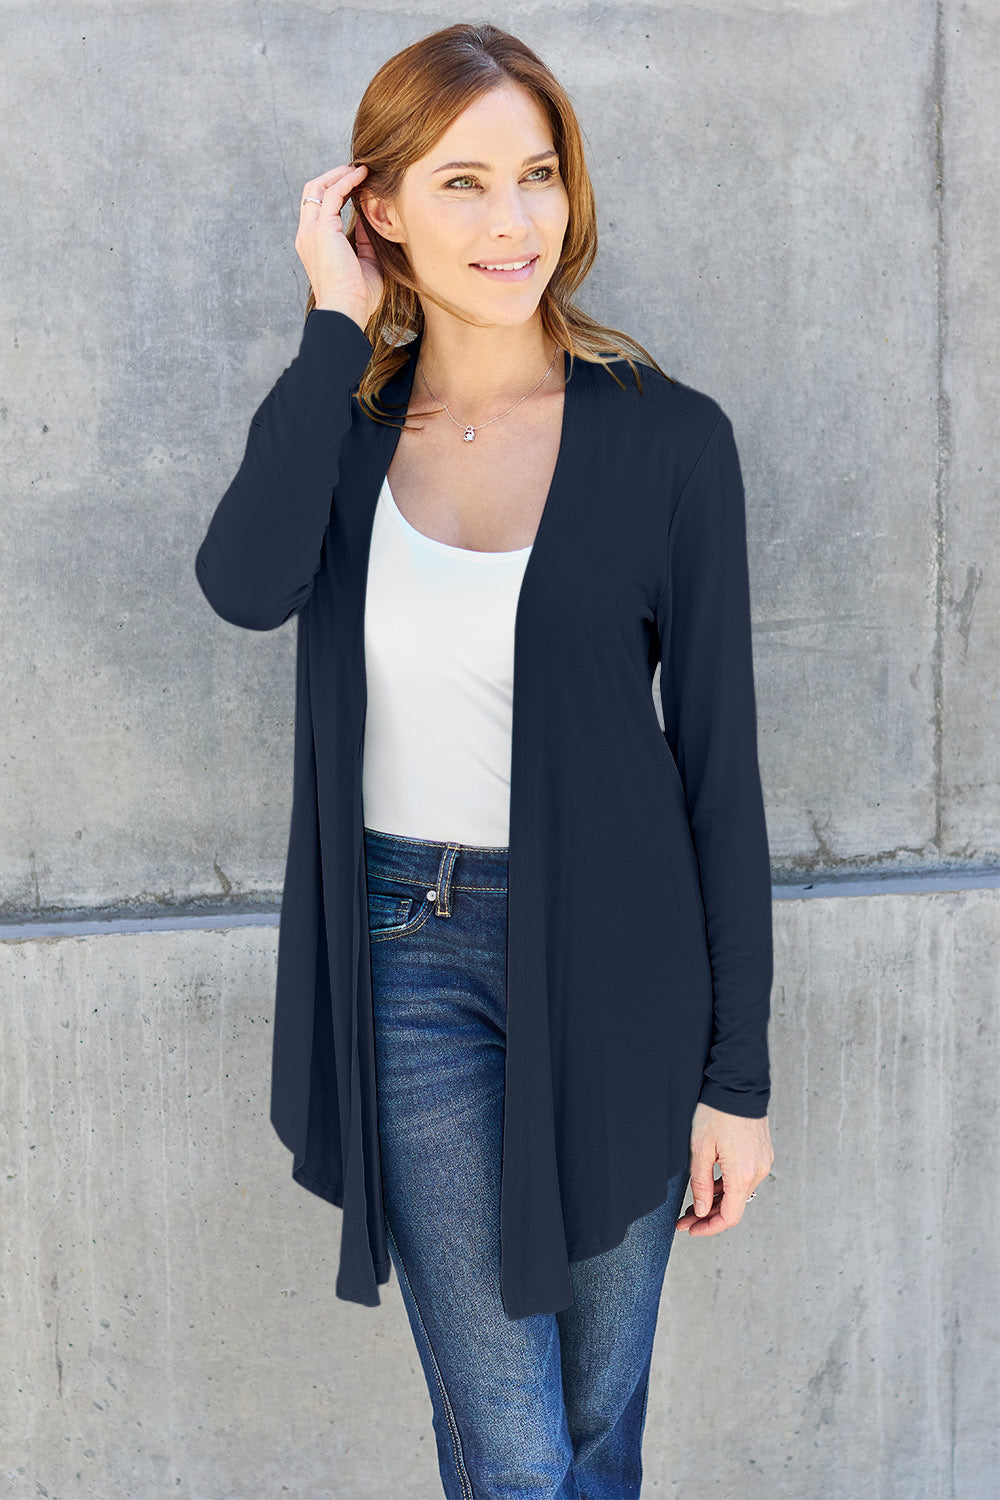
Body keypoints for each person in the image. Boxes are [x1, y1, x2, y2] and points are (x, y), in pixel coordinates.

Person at [196, 21, 775, 1499]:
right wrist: (334, 326)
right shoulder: (347, 430)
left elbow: (721, 772)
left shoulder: (670, 442)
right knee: (514, 1448)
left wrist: (739, 1082)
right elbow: (244, 583)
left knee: (594, 1420)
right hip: (408, 962)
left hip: (624, 968)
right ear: (377, 206)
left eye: (537, 177)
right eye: (462, 183)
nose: (514, 222)